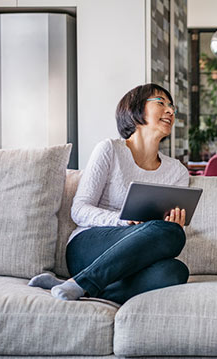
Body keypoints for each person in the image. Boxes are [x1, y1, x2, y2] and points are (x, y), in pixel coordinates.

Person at [28, 83, 190, 304]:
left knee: (175, 270)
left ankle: (77, 285)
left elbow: (163, 232)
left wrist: (173, 224)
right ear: (135, 109)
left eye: (172, 107)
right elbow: (79, 210)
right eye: (161, 103)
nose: (170, 111)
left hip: (135, 254)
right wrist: (122, 220)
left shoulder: (177, 171)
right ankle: (84, 279)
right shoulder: (109, 150)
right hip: (90, 246)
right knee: (168, 232)